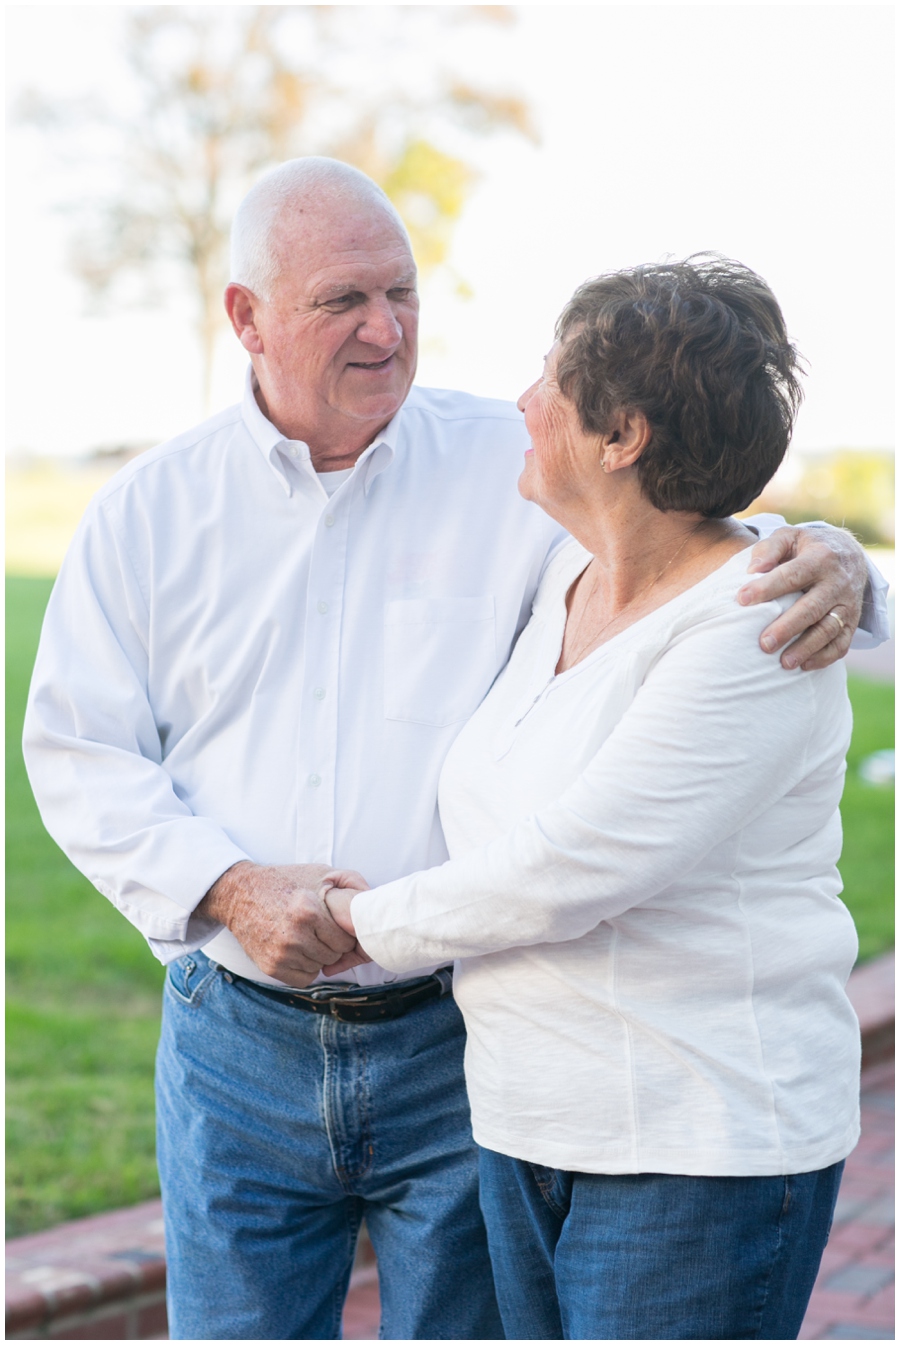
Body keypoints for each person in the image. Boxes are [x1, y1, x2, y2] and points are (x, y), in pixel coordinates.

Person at [22, 160, 885, 1342]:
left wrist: (837, 557)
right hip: (237, 1049)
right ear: (246, 317)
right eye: (342, 301)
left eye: (404, 292)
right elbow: (77, 749)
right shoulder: (148, 511)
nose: (387, 329)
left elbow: (686, 545)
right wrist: (230, 889)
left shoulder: (512, 467)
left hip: (456, 1045)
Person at [327, 256, 868, 1341]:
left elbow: (566, 869)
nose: (523, 402)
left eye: (549, 380)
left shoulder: (755, 633)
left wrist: (346, 923)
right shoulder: (562, 579)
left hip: (695, 1147)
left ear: (622, 437)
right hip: (532, 1123)